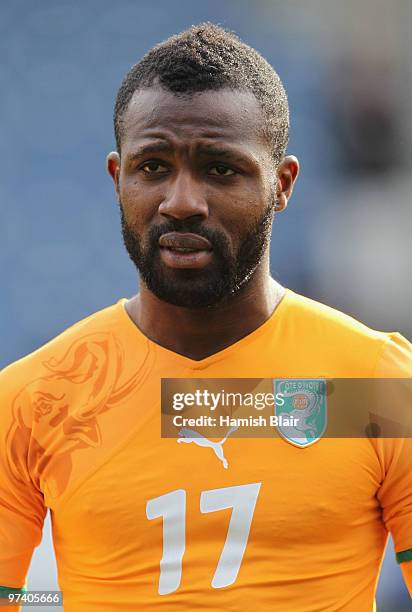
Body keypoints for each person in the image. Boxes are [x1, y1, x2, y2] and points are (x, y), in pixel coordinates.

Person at [0, 23, 411, 612]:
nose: (182, 201)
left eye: (221, 169)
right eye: (153, 167)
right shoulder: (33, 399)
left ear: (282, 184)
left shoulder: (373, 388)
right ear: (118, 178)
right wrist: (70, 599)